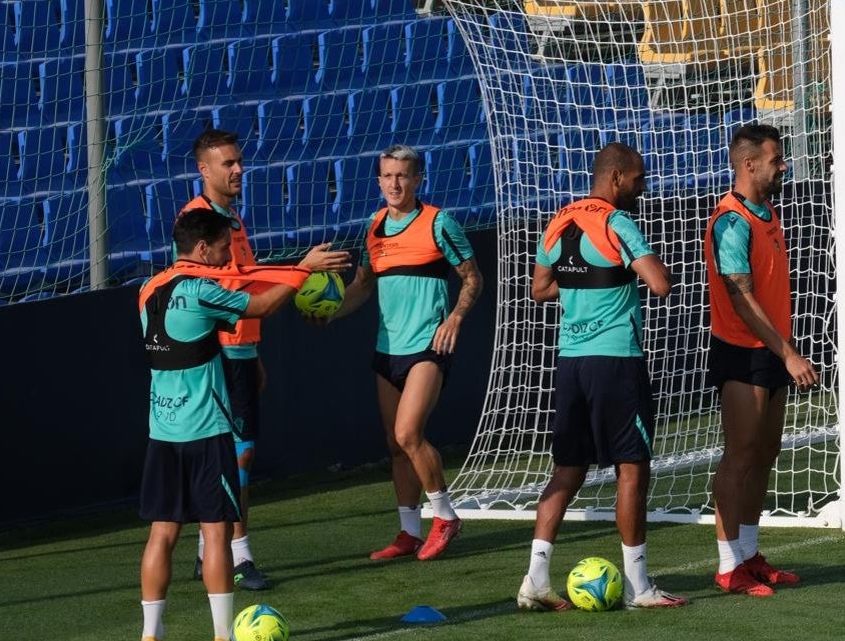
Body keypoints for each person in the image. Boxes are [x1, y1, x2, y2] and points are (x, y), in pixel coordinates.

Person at [516, 142, 689, 612]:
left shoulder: (557, 222)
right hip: (616, 361)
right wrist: (633, 272)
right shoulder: (617, 223)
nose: (643, 186)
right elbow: (660, 284)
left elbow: (539, 289)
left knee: (566, 471)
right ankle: (638, 587)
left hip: (571, 363)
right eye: (638, 178)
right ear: (614, 177)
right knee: (632, 469)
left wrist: (585, 283)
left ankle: (535, 579)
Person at [136, 209, 310, 641]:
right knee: (217, 532)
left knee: (162, 533)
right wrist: (302, 271)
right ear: (201, 249)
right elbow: (261, 307)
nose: (227, 259)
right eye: (222, 250)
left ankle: (150, 636)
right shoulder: (200, 291)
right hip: (206, 430)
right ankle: (221, 639)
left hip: (162, 430)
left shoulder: (146, 290)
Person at [182, 129, 352, 590]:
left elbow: (244, 282)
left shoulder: (231, 219)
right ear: (204, 171)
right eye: (227, 164)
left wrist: (252, 352)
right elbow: (230, 285)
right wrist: (301, 270)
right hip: (215, 353)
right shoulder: (199, 222)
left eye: (239, 161)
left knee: (236, 454)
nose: (238, 169)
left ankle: (207, 553)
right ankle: (237, 558)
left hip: (238, 350)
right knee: (236, 455)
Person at [330, 144, 483, 561]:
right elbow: (362, 286)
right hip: (387, 350)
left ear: (418, 180)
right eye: (388, 176)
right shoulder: (375, 226)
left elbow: (472, 279)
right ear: (378, 181)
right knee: (395, 446)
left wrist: (454, 319)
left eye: (403, 176)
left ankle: (446, 517)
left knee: (408, 433)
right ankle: (409, 532)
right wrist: (328, 314)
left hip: (428, 347)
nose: (395, 183)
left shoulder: (439, 223)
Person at [703, 123, 819, 597]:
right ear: (749, 164)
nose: (783, 164)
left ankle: (750, 554)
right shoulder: (731, 220)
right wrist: (788, 353)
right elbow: (740, 298)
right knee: (741, 453)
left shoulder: (766, 211)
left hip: (771, 350)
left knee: (766, 451)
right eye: (776, 158)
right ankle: (728, 565)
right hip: (743, 352)